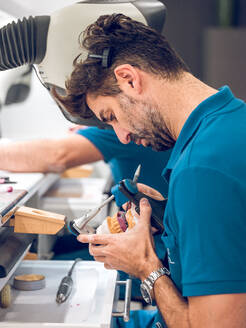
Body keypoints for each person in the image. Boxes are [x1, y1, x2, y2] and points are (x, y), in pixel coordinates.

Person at [53, 13, 246, 328]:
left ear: (129, 79)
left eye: (111, 116)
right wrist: (170, 221)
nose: (122, 136)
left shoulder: (203, 171)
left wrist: (146, 267)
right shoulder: (230, 120)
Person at [0, 125, 171, 301]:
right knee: (55, 247)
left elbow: (56, 155)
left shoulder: (124, 126)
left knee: (45, 270)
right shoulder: (121, 125)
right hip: (158, 237)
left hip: (157, 252)